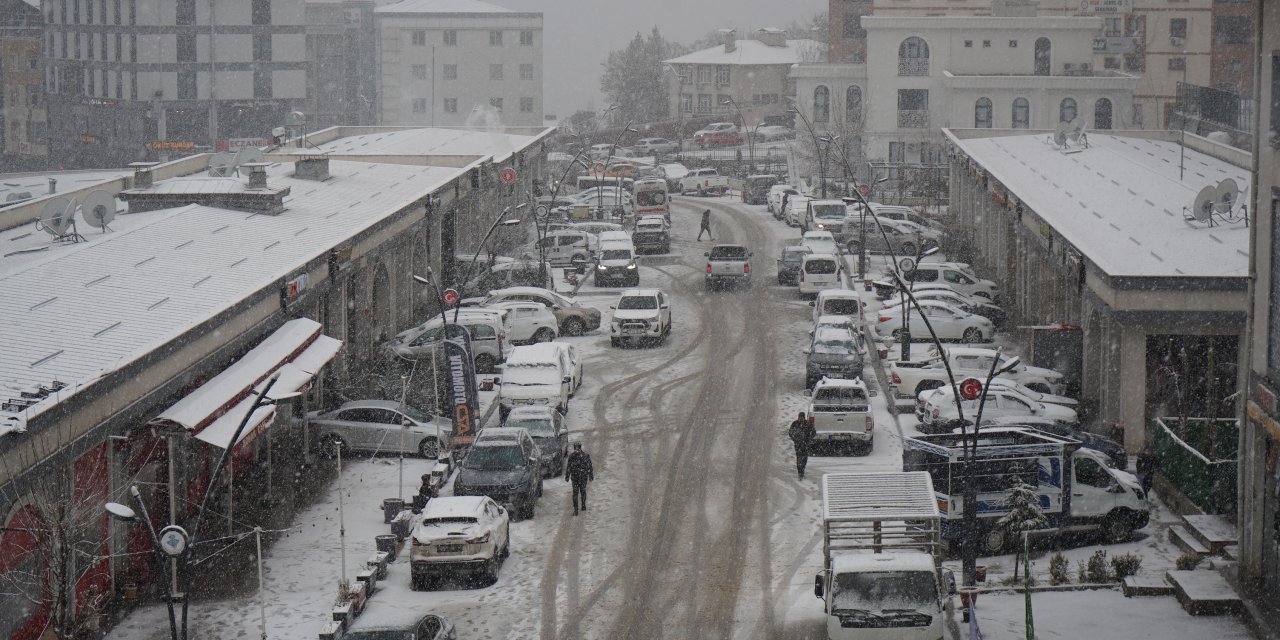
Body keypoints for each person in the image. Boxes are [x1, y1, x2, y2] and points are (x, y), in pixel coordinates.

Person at [565, 442, 594, 515]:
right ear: (580, 447)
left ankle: (576, 510)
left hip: (575, 477)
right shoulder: (585, 456)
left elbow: (569, 467)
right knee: (583, 491)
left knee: (575, 493)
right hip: (583, 477)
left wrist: (567, 476)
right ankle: (583, 505)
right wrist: (590, 475)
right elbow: (589, 466)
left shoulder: (571, 456)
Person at [787, 411, 817, 479]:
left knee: (805, 458)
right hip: (798, 444)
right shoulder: (795, 423)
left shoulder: (808, 424)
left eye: (801, 417)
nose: (800, 419)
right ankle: (800, 472)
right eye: (799, 417)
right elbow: (790, 432)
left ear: (804, 417)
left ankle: (802, 469)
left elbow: (813, 432)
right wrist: (795, 439)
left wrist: (808, 439)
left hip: (805, 444)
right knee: (799, 457)